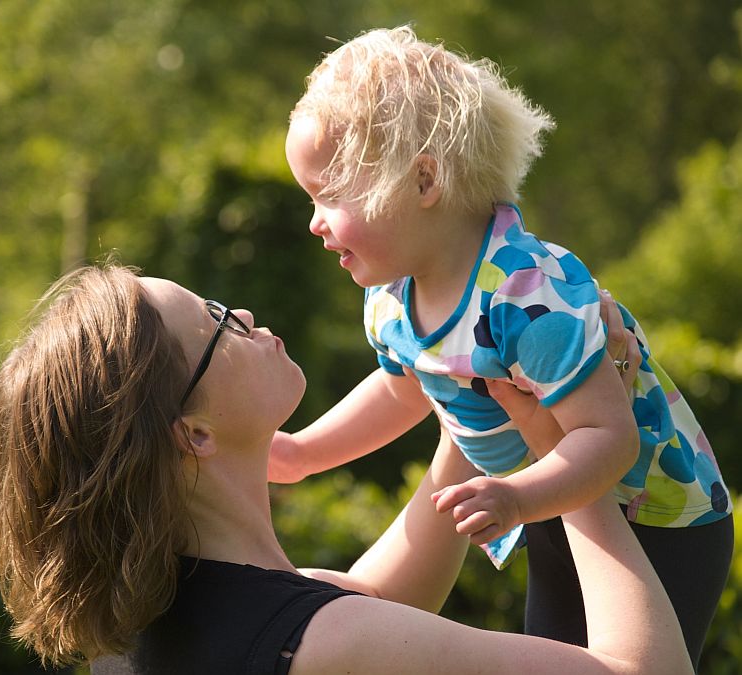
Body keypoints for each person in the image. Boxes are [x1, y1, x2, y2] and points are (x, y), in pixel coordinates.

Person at [273, 26, 733, 669]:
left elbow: (608, 437)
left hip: (658, 517)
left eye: (329, 195)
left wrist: (518, 498)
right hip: (549, 498)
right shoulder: (392, 294)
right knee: (557, 650)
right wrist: (301, 452)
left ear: (423, 181)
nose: (315, 221)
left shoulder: (526, 296)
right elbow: (403, 388)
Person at [0, 263, 693, 674]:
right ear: (194, 433)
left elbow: (376, 593)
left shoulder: (157, 628)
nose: (243, 312)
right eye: (215, 324)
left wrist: (468, 391)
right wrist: (575, 450)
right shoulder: (328, 644)